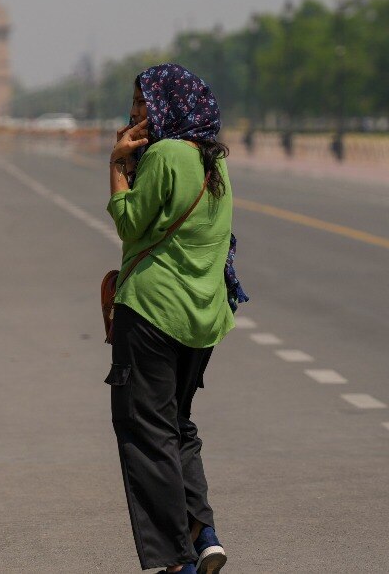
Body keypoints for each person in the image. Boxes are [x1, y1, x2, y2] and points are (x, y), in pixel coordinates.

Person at [106, 64, 247, 574]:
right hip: (202, 318)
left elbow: (128, 223)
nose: (136, 113)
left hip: (151, 313)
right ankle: (201, 531)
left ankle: (176, 559)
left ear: (168, 104)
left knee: (145, 432)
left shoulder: (163, 155)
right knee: (176, 425)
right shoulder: (217, 161)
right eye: (135, 104)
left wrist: (119, 166)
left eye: (145, 103)